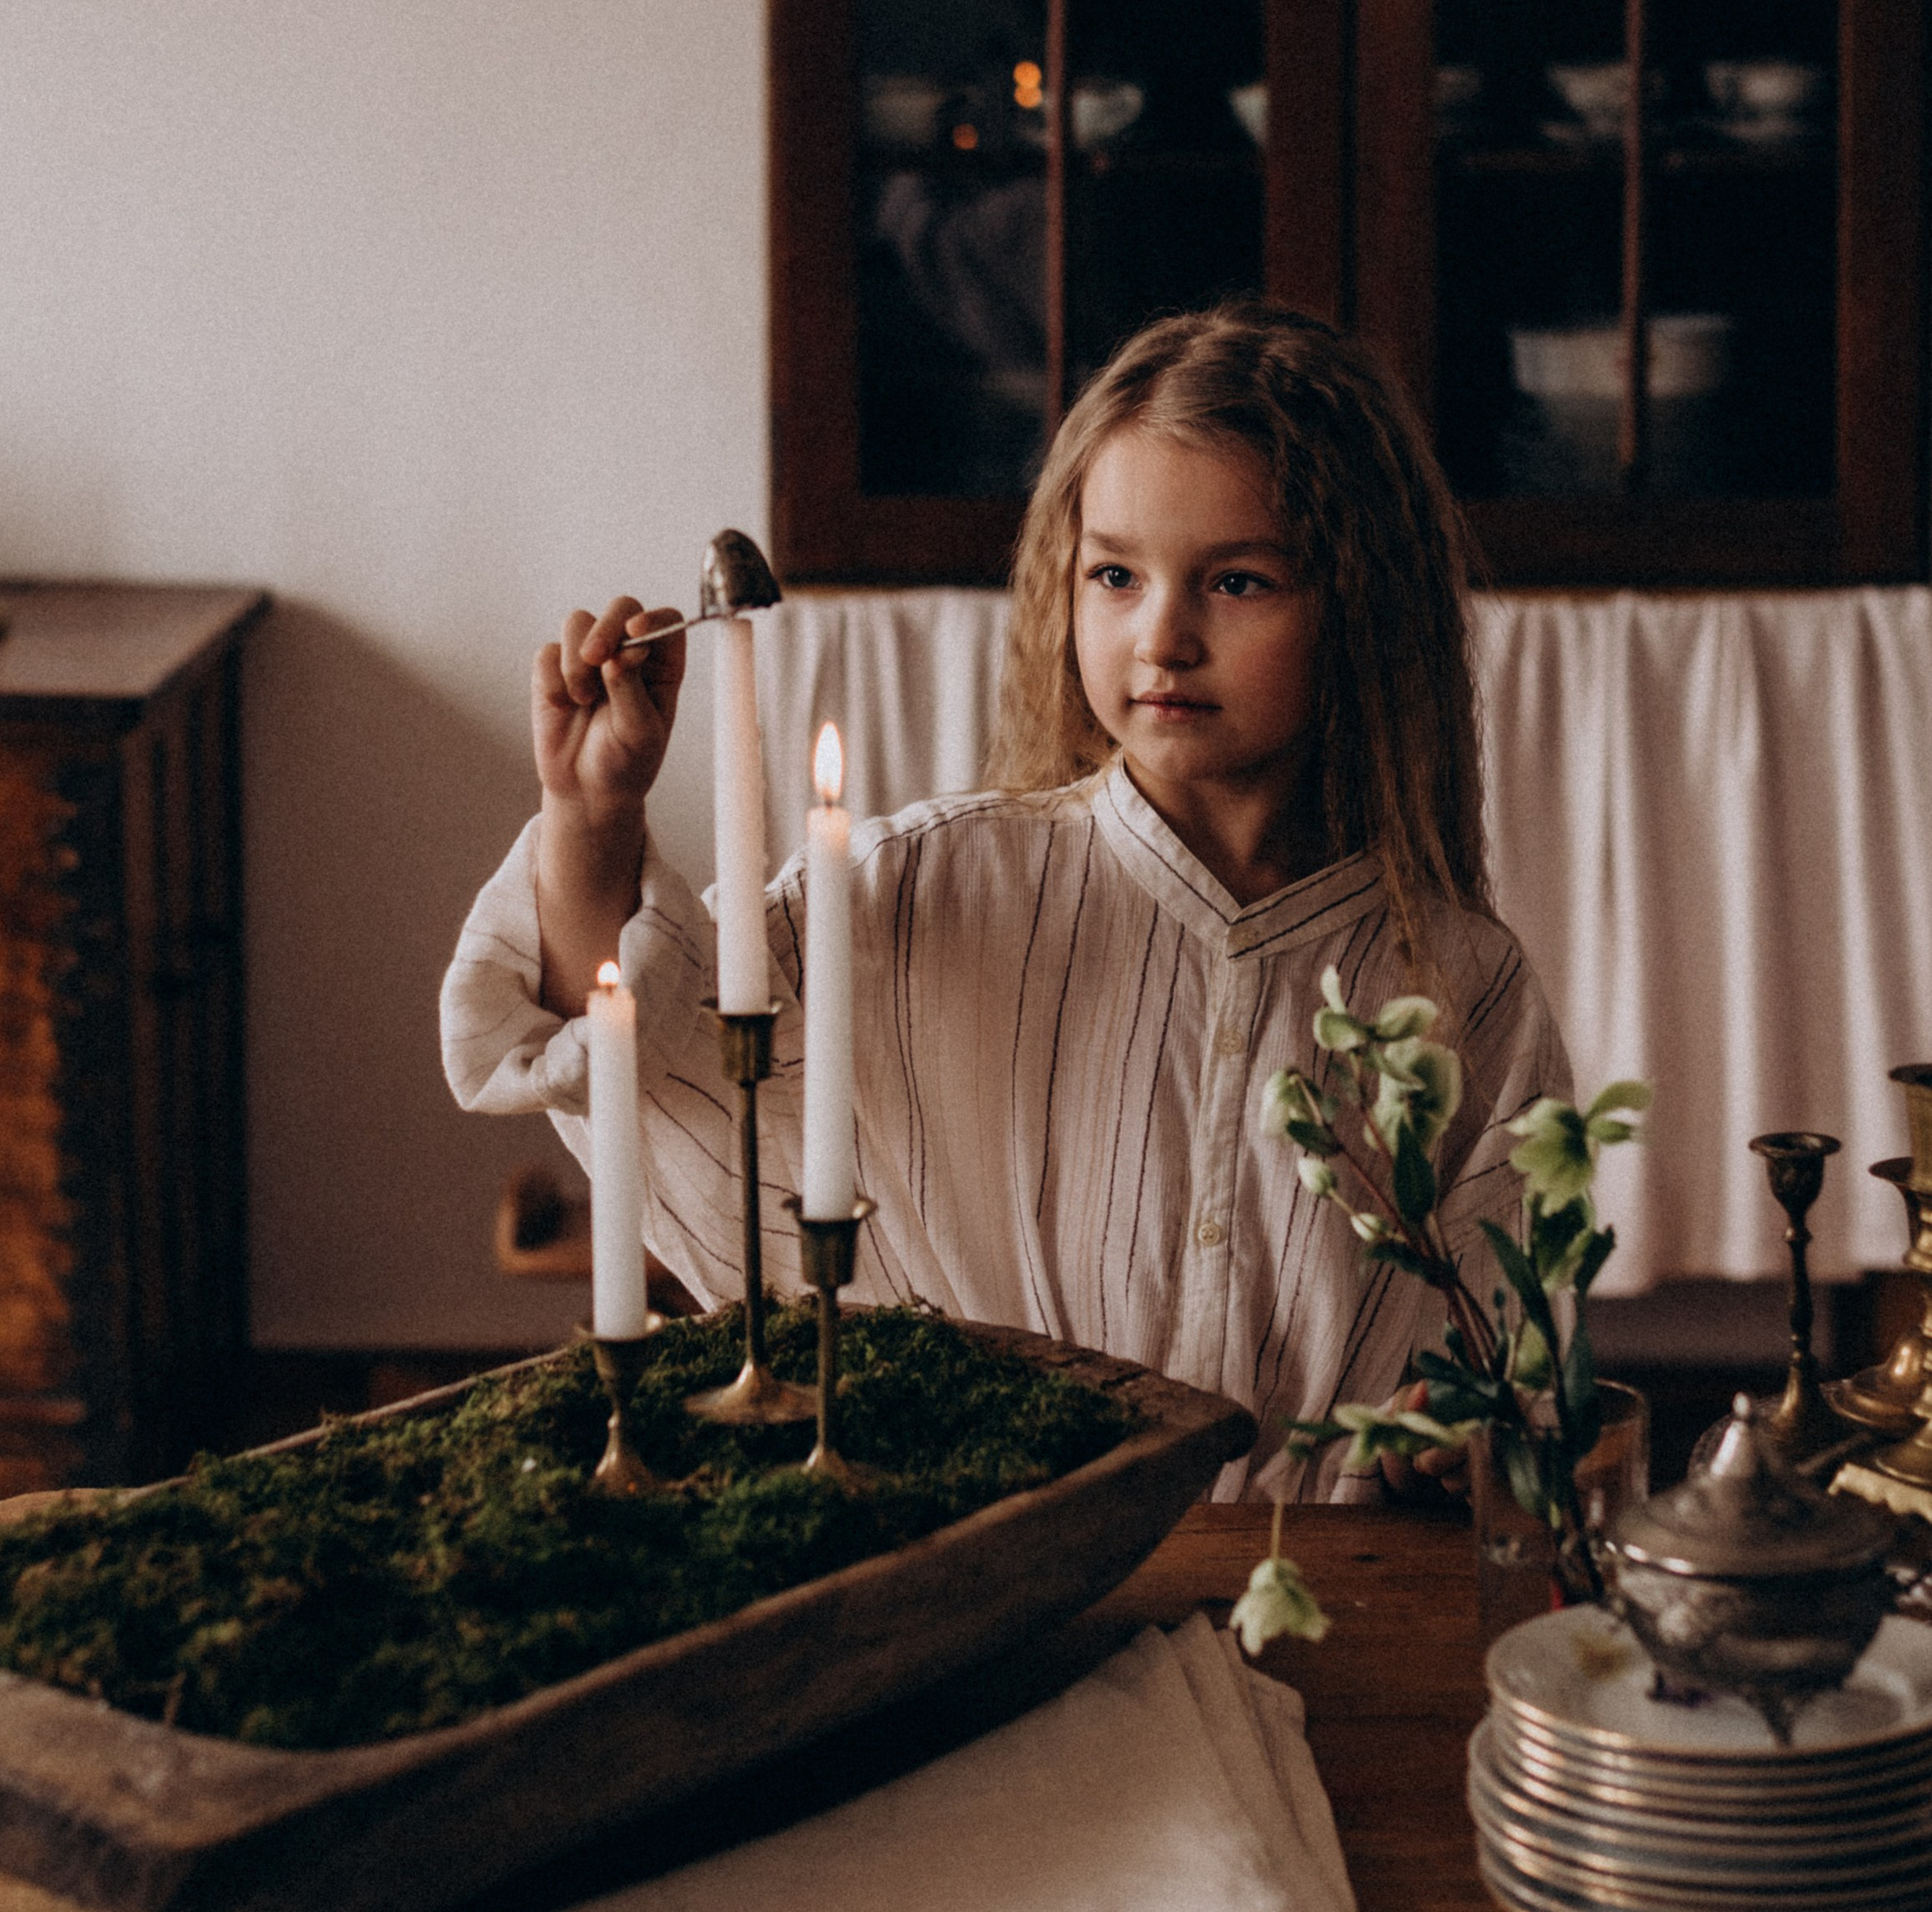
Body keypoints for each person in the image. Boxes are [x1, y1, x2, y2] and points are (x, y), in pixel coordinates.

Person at [441, 299, 1570, 1492]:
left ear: (1364, 605)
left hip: (1315, 1580)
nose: (1163, 637)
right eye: (1116, 575)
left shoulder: (1462, 986)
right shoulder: (913, 893)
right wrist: (593, 815)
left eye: (1238, 581)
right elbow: (650, 1049)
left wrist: (1464, 1439)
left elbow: (1510, 1352)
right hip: (991, 1554)